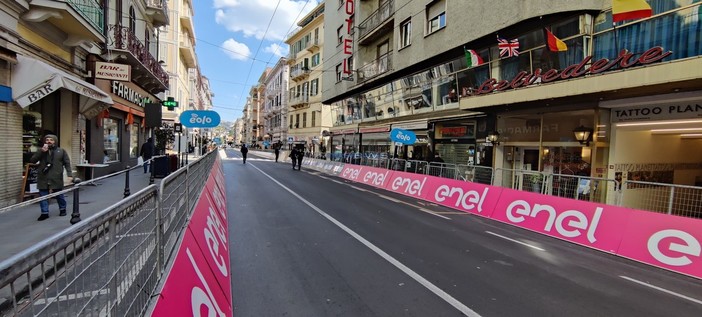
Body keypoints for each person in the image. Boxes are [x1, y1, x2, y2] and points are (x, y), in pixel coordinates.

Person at [29, 134, 72, 221]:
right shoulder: (41, 151)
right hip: (43, 177)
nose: (49, 141)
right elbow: (32, 161)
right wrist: (41, 151)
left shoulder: (61, 151)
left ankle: (62, 209)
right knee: (43, 196)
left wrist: (69, 175)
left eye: (51, 140)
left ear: (55, 141)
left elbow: (67, 163)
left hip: (56, 177)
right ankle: (44, 213)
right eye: (47, 140)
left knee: (59, 195)